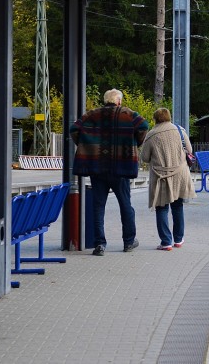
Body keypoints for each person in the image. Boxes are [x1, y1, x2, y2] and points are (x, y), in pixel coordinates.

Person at [71, 88, 149, 256]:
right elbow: (144, 126)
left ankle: (99, 244)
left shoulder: (92, 114)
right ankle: (129, 242)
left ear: (105, 100)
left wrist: (87, 146)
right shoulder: (128, 114)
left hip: (97, 168)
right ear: (119, 101)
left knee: (98, 206)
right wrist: (134, 142)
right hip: (121, 167)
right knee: (125, 205)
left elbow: (74, 129)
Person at [140, 108, 197, 251]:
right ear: (168, 117)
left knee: (161, 208)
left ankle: (166, 242)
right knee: (178, 207)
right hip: (180, 174)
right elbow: (189, 150)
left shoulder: (151, 134)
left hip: (161, 177)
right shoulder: (179, 130)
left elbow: (145, 158)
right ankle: (178, 239)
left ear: (155, 119)